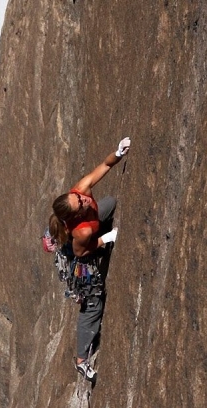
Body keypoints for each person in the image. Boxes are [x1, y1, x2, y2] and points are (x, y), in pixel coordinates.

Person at [48, 136, 130, 381]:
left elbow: (102, 168)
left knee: (109, 204)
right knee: (93, 303)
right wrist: (108, 239)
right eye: (81, 203)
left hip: (88, 230)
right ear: (74, 215)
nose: (84, 198)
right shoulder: (81, 231)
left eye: (80, 197)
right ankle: (82, 360)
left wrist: (117, 153)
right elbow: (85, 251)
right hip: (80, 260)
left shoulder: (80, 191)